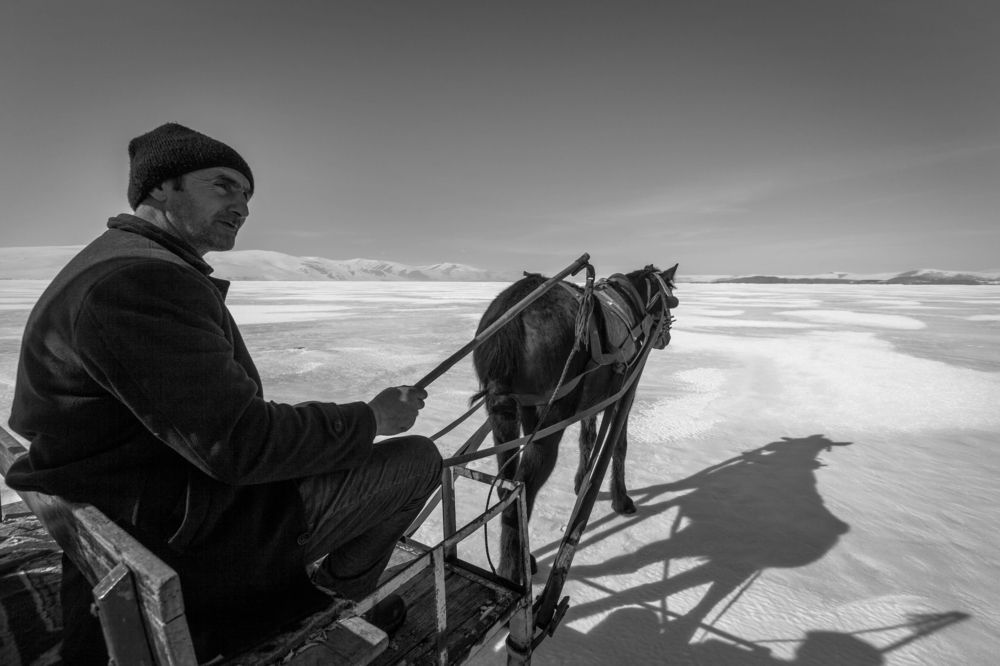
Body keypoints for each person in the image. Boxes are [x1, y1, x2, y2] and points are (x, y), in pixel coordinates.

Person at [5, 122, 443, 663]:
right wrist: (370, 419)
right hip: (188, 535)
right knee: (418, 460)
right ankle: (331, 611)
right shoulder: (138, 281)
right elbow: (238, 444)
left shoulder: (115, 260)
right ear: (161, 187)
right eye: (224, 185)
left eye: (247, 195)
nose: (242, 206)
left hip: (144, 502)